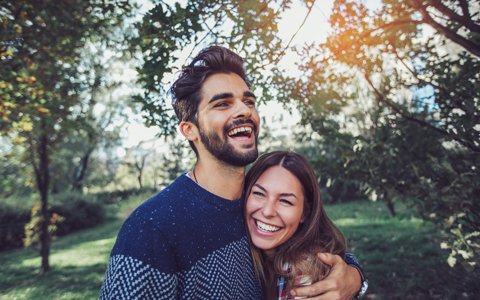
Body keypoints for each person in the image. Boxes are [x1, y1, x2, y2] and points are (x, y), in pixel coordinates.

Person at [100, 46, 366, 299]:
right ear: (189, 130)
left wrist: (354, 277)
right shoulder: (151, 228)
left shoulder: (259, 202)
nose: (244, 110)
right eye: (222, 104)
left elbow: (318, 241)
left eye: (248, 101)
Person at [245, 151, 365, 299]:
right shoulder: (235, 247)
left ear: (305, 213)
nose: (268, 211)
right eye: (259, 193)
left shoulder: (309, 275)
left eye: (285, 201)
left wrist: (355, 277)